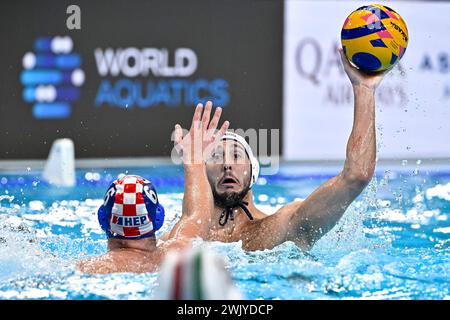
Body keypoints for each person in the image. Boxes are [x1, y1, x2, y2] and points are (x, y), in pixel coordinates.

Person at [165, 48, 388, 251]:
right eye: (214, 156)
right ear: (201, 175)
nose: (227, 164)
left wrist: (364, 90)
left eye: (236, 155)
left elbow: (356, 176)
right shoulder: (178, 236)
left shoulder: (279, 228)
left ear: (253, 172)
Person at [77, 106, 229, 273]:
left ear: (102, 220)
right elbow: (198, 216)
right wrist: (195, 159)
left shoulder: (90, 269)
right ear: (159, 218)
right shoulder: (176, 255)